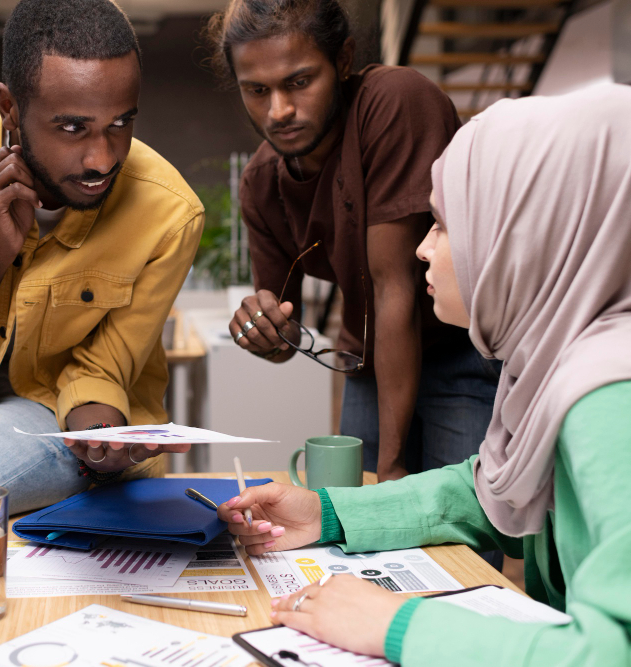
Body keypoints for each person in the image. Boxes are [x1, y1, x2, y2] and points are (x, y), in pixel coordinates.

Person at [217, 85, 631, 664]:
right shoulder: (555, 366)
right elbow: (486, 493)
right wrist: (329, 513)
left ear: (523, 233)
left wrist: (397, 624)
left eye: (441, 223)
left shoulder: (609, 397)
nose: (421, 249)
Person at [0, 0, 203, 514]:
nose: (102, 159)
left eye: (121, 123)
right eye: (73, 128)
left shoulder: (169, 211)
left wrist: (101, 444)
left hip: (69, 424)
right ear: (9, 107)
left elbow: (103, 368)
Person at [207, 0, 502, 481]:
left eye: (299, 81)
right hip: (369, 363)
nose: (278, 110)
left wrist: (391, 469)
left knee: (461, 537)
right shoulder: (261, 182)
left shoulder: (394, 101)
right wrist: (262, 331)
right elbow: (284, 336)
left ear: (342, 60)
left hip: (461, 353)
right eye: (257, 90)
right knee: (360, 535)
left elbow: (394, 286)